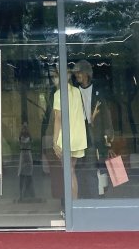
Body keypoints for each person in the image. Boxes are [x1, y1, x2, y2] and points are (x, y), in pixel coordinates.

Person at [72, 59, 114, 199]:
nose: (77, 75)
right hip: (79, 134)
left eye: (79, 72)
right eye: (76, 73)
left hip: (94, 136)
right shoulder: (74, 91)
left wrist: (108, 139)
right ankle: (80, 199)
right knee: (78, 169)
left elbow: (106, 116)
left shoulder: (98, 91)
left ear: (87, 74)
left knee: (92, 169)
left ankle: (94, 200)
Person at [52, 67, 87, 198]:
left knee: (68, 172)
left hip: (66, 138)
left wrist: (54, 141)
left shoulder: (58, 94)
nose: (54, 80)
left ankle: (71, 204)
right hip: (78, 138)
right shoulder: (77, 91)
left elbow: (58, 118)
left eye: (55, 77)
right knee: (72, 171)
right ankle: (74, 203)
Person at [18, 121, 35, 202]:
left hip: (25, 156)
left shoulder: (23, 137)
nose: (24, 128)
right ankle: (25, 194)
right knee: (26, 176)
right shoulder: (27, 137)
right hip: (26, 155)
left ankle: (24, 194)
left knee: (24, 176)